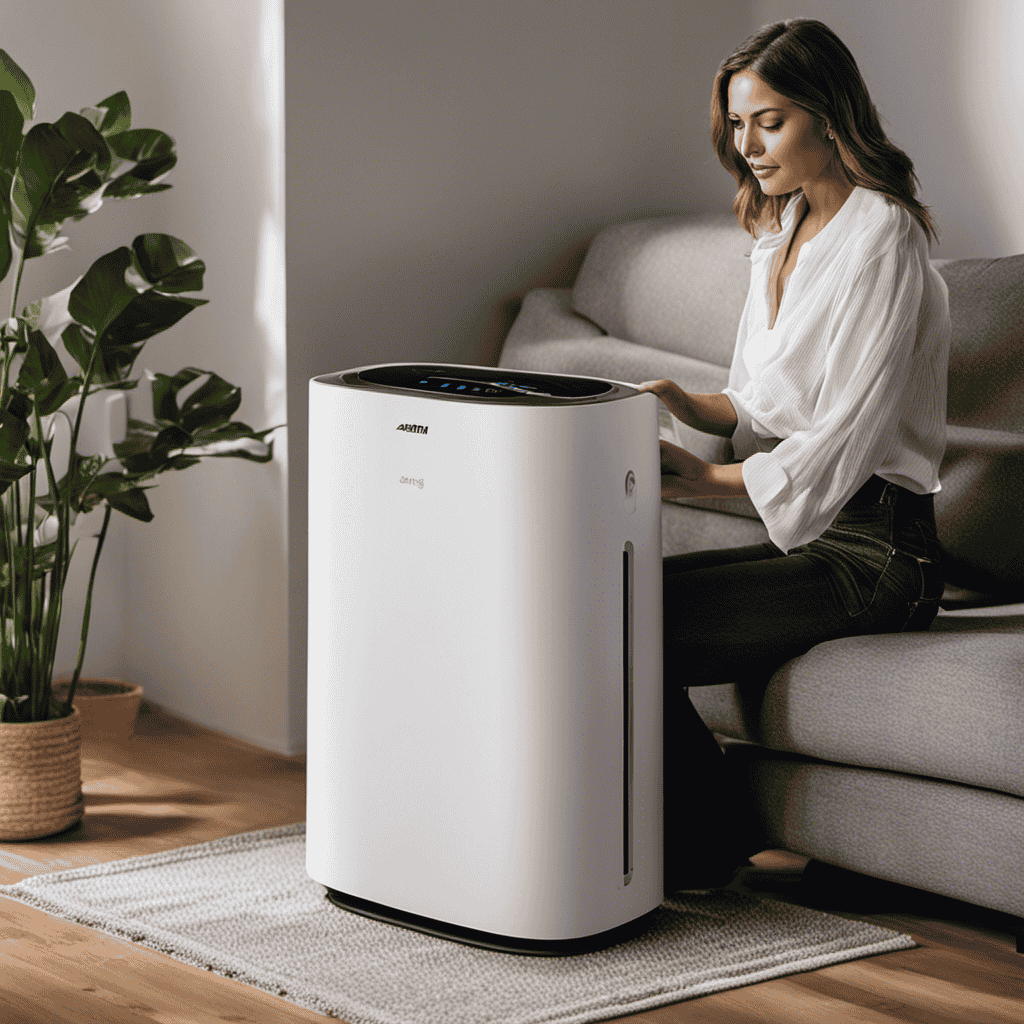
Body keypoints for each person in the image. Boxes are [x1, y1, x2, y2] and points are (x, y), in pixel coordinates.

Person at [635, 19, 950, 892]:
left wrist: (705, 477)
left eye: (768, 121)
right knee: (605, 600)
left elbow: (846, 433)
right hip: (815, 543)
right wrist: (680, 403)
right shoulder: (782, 230)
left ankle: (699, 850)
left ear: (828, 113)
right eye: (737, 126)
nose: (747, 146)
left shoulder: (884, 235)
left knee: (632, 622)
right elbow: (764, 398)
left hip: (884, 552)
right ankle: (693, 840)